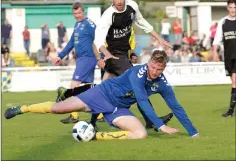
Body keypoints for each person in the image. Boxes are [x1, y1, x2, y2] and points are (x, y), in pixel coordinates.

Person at [5, 50, 199, 140]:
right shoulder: (137, 73)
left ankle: (95, 136)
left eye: (160, 69)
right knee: (57, 109)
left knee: (140, 134)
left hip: (118, 109)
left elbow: (176, 106)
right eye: (153, 67)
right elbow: (141, 99)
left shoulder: (162, 83)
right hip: (100, 94)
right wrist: (160, 125)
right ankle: (22, 108)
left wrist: (193, 132)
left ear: (164, 68)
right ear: (148, 64)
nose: (155, 72)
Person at [59, 0, 173, 127]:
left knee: (102, 90)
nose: (119, 1)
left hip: (121, 56)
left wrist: (160, 39)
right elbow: (98, 40)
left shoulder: (132, 6)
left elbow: (142, 22)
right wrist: (106, 55)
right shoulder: (107, 16)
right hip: (114, 56)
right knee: (138, 83)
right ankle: (152, 121)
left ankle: (90, 121)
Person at [52, 2, 99, 123]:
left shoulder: (89, 24)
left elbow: (99, 39)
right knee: (88, 89)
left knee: (74, 86)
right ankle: (99, 114)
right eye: (75, 13)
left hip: (87, 58)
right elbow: (71, 42)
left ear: (83, 12)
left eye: (79, 13)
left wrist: (101, 57)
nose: (77, 15)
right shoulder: (77, 25)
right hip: (81, 59)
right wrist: (60, 56)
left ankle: (74, 116)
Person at [213, 0, 236, 117]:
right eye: (231, 7)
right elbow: (217, 39)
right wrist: (215, 52)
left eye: (235, 7)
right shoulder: (223, 22)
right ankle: (231, 110)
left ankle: (231, 111)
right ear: (227, 8)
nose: (233, 10)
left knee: (234, 82)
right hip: (229, 57)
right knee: (233, 81)